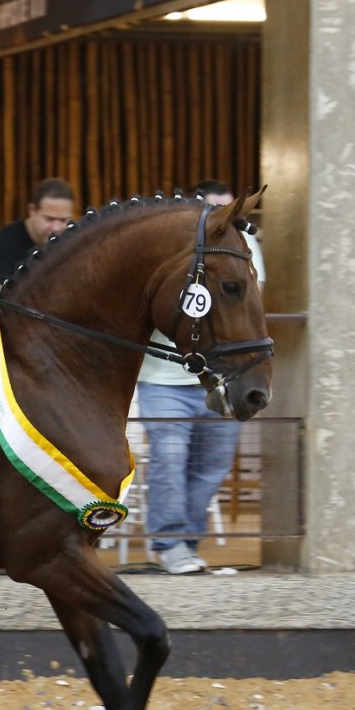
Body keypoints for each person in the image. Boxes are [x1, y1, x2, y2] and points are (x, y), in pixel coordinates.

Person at [134, 181, 260, 574]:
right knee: (170, 459)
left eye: (229, 211)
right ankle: (171, 543)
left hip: (221, 374)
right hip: (162, 376)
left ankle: (187, 543)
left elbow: (247, 305)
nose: (224, 219)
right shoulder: (170, 245)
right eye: (215, 210)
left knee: (213, 463)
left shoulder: (243, 247)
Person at [0, 178, 76, 283]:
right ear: (32, 211)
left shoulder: (74, 242)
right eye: (49, 219)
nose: (56, 227)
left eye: (63, 220)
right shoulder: (4, 242)